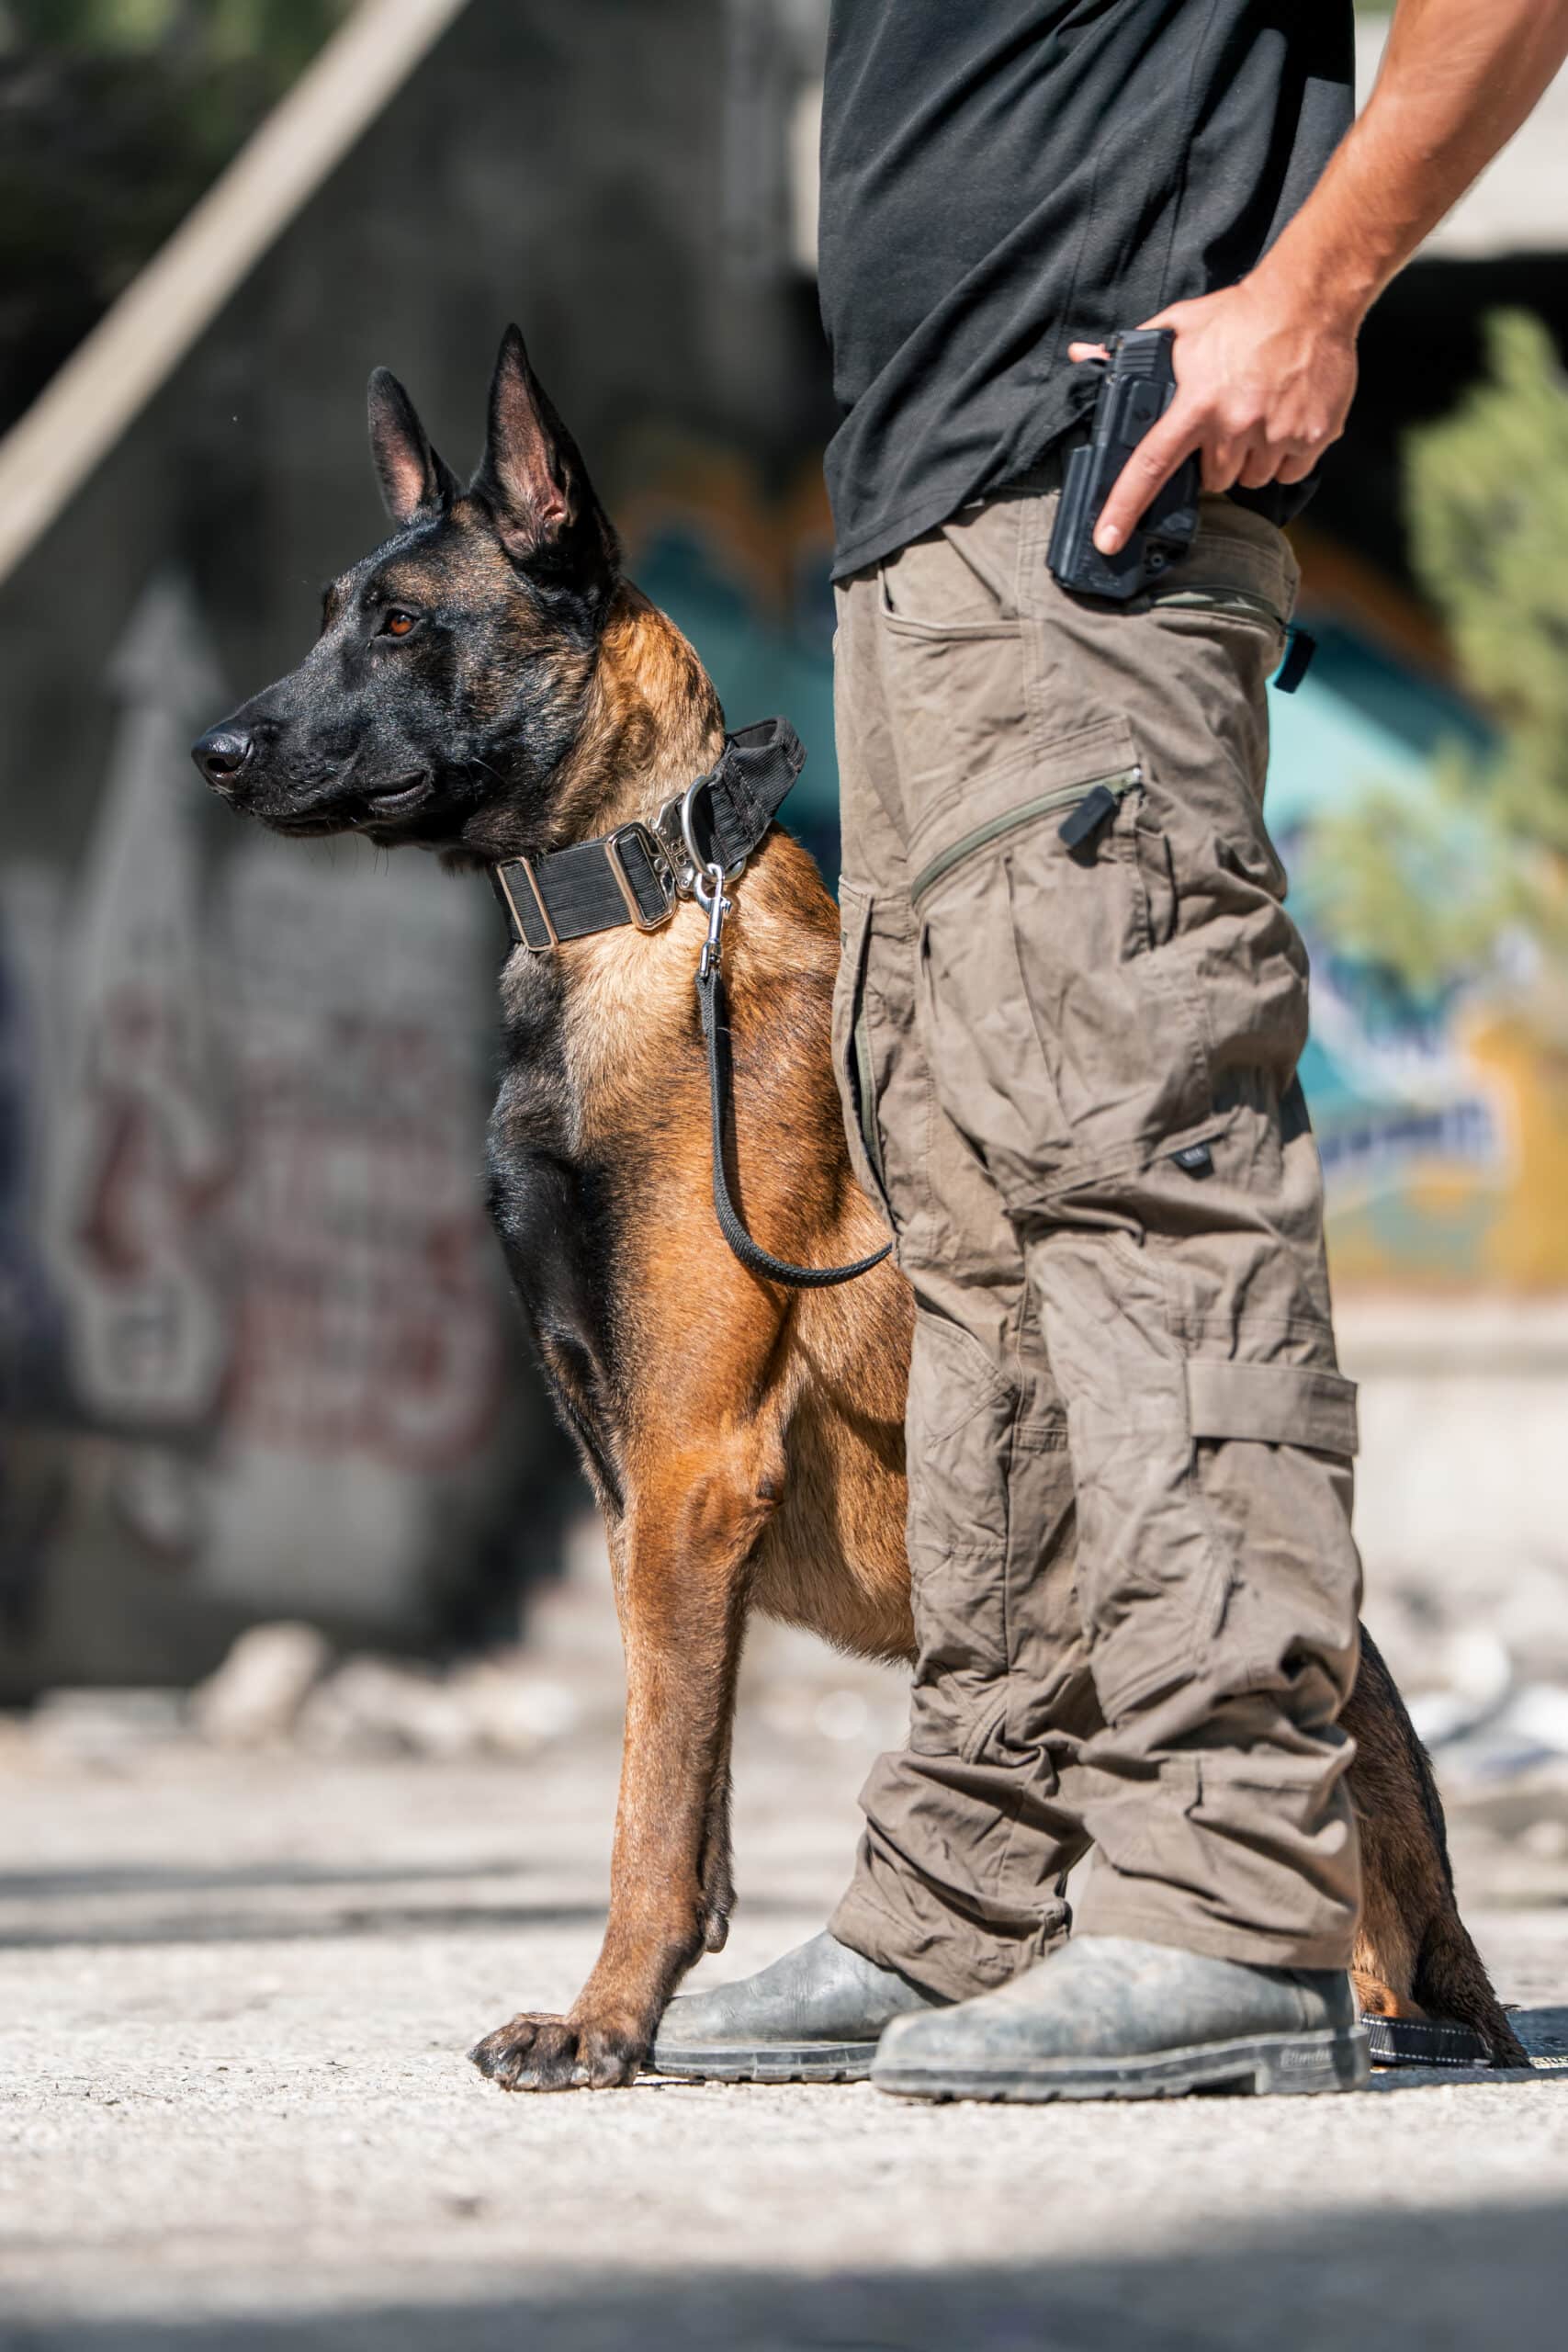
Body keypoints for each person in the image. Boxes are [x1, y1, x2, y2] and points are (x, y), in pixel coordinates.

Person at [655, 0, 1568, 2101]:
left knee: (1143, 1186)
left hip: (1093, 510)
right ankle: (978, 1875)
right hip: (924, 541)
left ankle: (1221, 1891)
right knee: (974, 1235)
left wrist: (1309, 287)